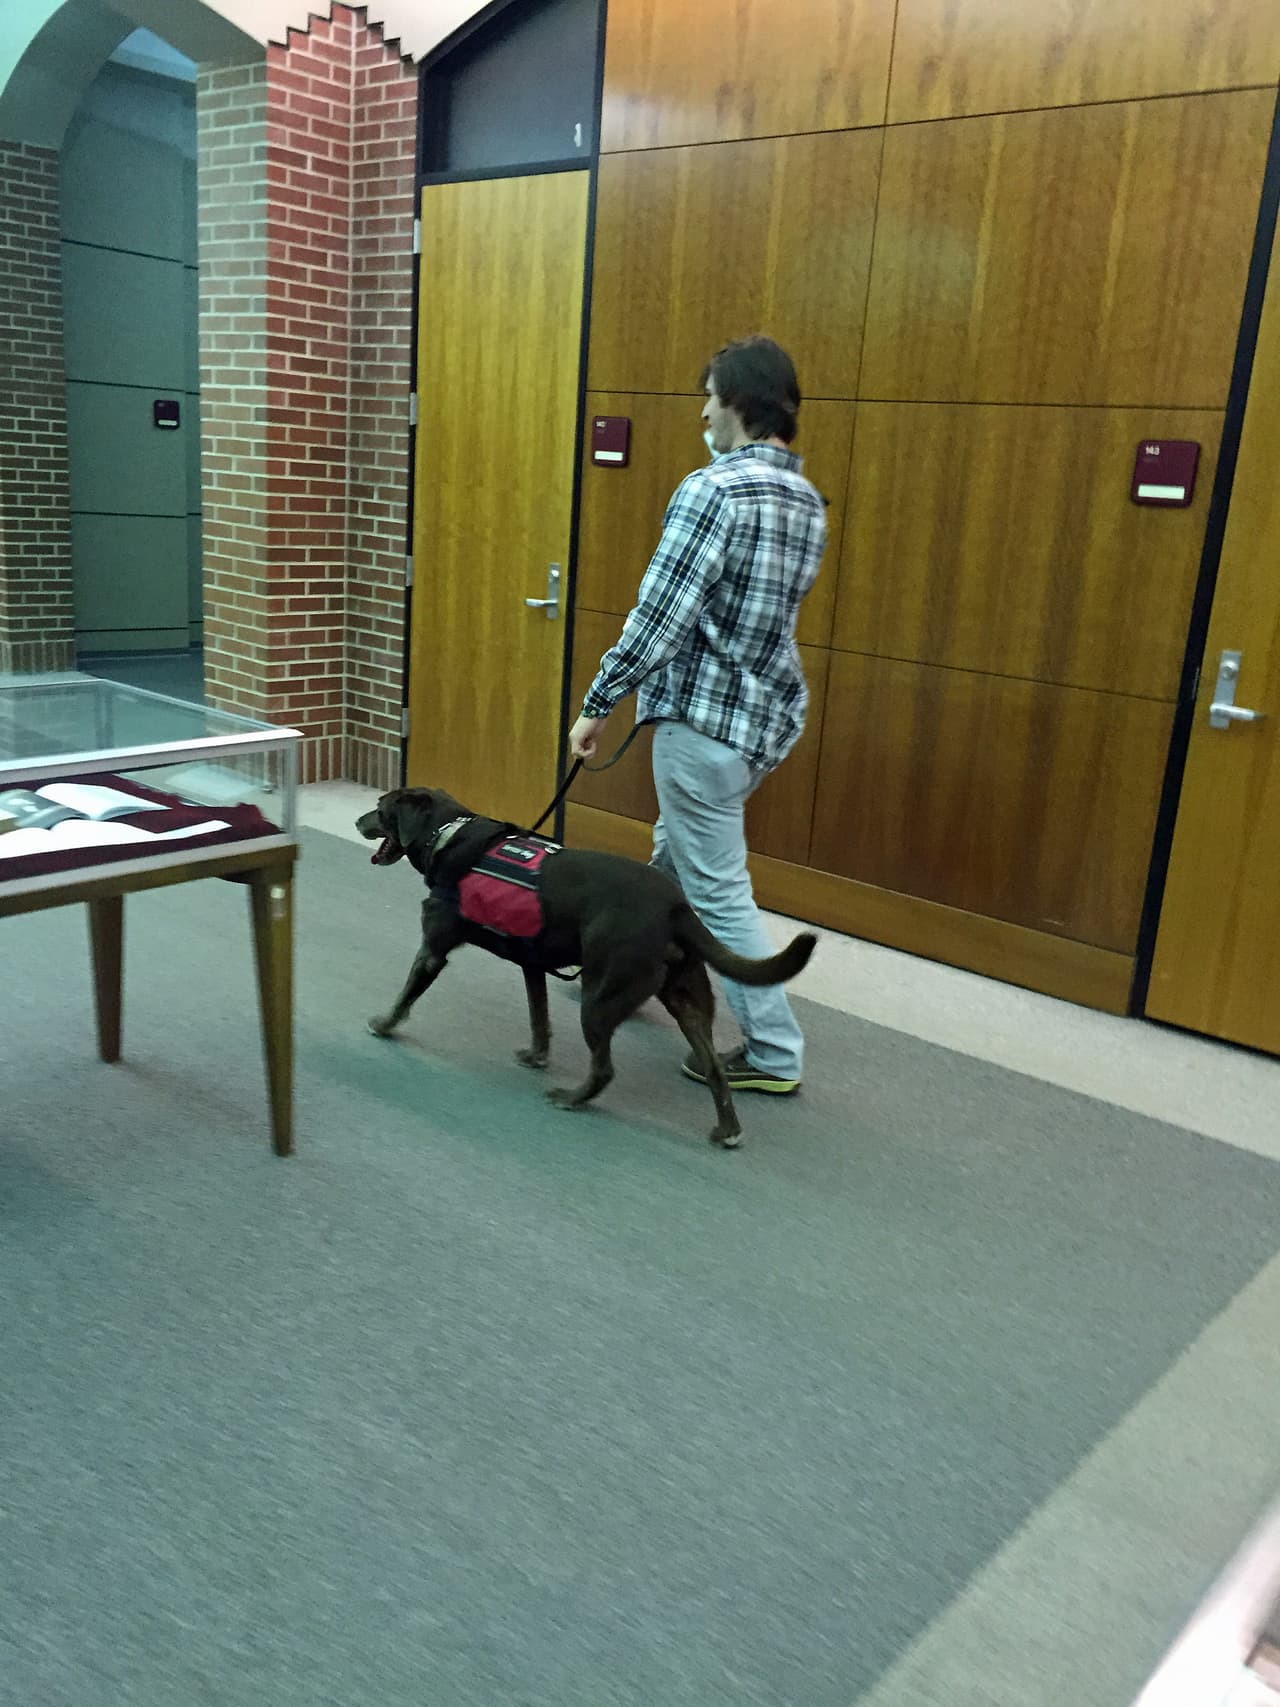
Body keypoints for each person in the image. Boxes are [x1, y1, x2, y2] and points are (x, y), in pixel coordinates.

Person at [568, 334, 827, 1094]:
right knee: (675, 860)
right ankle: (632, 968)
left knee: (717, 891)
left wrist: (598, 701)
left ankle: (773, 1052)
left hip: (703, 725)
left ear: (741, 403)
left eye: (711, 395)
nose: (703, 410)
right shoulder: (804, 500)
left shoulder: (712, 490)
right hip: (760, 725)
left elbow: (662, 616)